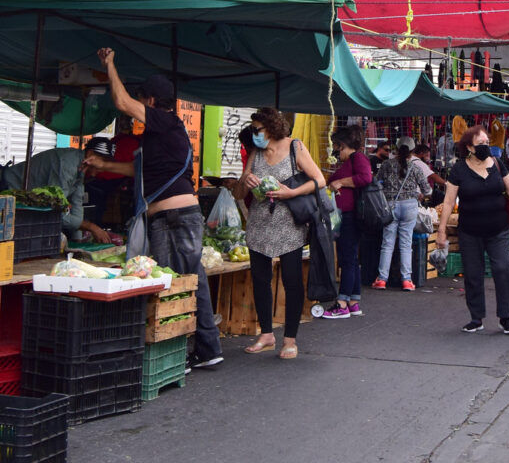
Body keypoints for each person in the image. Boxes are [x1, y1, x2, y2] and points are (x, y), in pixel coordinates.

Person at [84, 47, 222, 369]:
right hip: (176, 217)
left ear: (150, 100)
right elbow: (141, 172)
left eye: (141, 99)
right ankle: (207, 348)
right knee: (189, 280)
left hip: (174, 219)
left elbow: (121, 102)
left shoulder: (165, 121)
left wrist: (110, 64)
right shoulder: (161, 134)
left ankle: (181, 352)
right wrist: (104, 164)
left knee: (172, 283)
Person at [233, 108, 325, 359]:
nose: (254, 134)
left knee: (292, 281)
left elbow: (319, 180)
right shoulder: (256, 152)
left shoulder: (295, 147)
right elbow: (238, 194)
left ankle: (290, 339)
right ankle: (266, 334)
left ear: (271, 127)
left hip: (289, 226)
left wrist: (291, 193)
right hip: (259, 225)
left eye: (257, 129)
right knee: (260, 280)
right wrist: (245, 180)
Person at [436, 126, 509, 334]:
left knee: (503, 269)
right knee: (473, 274)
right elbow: (448, 202)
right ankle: (476, 318)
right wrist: (441, 230)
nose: (485, 147)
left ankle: (505, 317)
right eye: (480, 144)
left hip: (498, 229)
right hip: (469, 231)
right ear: (469, 147)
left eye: (487, 143)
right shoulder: (459, 170)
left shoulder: (497, 164)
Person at [1, 144, 115, 243]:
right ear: (90, 154)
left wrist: (78, 240)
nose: (103, 168)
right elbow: (55, 211)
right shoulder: (67, 165)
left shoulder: (80, 169)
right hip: (7, 189)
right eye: (102, 162)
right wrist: (91, 227)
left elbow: (77, 204)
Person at [322, 125, 372, 319]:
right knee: (350, 258)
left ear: (342, 145)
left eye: (337, 146)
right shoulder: (351, 161)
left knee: (348, 258)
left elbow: (365, 178)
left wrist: (341, 182)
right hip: (346, 215)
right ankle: (353, 301)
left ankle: (342, 303)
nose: (336, 150)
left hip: (350, 216)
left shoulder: (358, 158)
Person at [372, 136, 431, 291]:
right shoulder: (416, 167)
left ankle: (382, 279)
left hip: (390, 205)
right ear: (412, 151)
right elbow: (427, 190)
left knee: (387, 243)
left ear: (396, 149)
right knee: (406, 244)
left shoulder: (387, 164)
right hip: (410, 206)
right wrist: (418, 194)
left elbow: (376, 182)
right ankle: (406, 280)